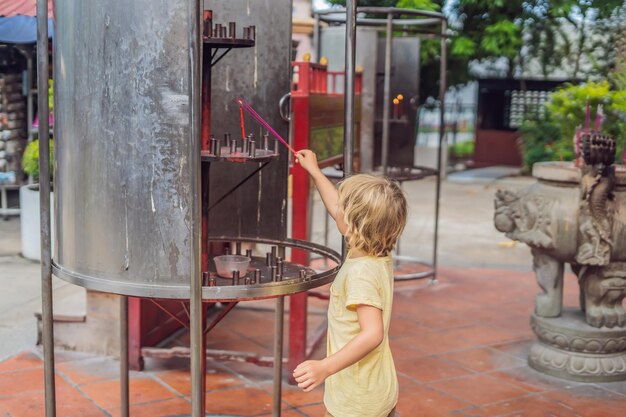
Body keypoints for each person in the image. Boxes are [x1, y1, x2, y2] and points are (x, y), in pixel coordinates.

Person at [293, 149, 407, 417]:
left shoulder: (361, 273)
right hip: (375, 388)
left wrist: (325, 367)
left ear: (355, 224)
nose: (337, 211)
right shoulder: (377, 252)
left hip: (356, 401)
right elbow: (338, 209)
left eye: (343, 209)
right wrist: (315, 172)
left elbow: (372, 333)